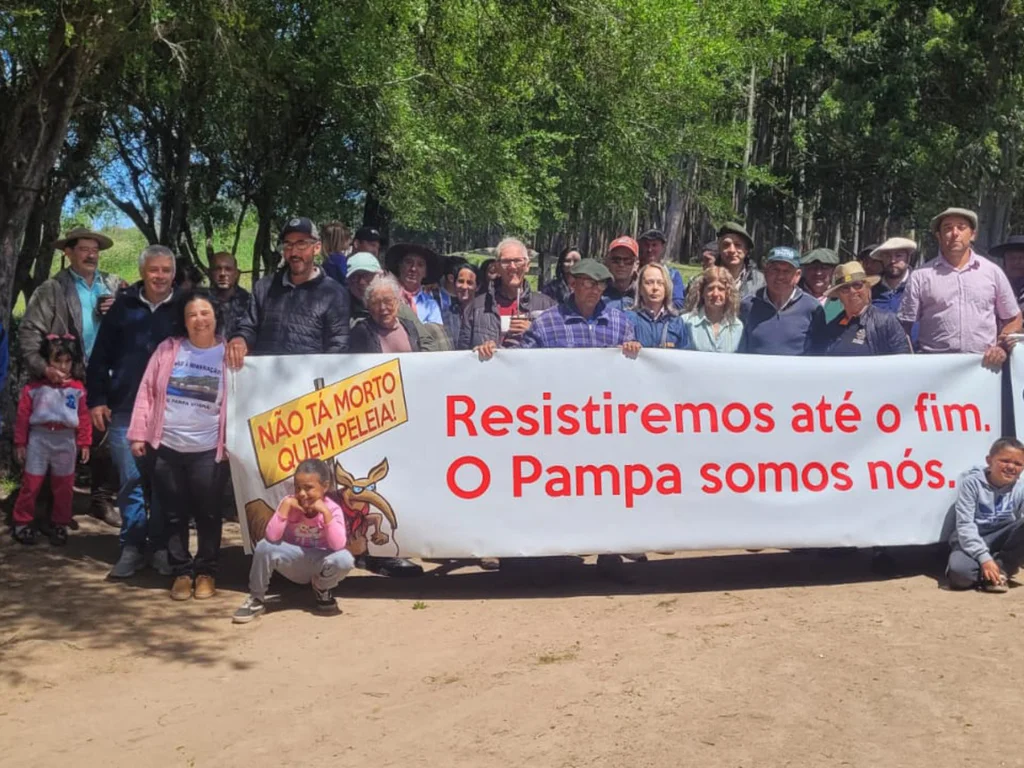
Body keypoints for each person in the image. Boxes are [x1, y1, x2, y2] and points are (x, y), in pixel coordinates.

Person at [475, 258, 640, 579]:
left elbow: (637, 374)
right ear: (573, 284)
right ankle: (554, 550)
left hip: (606, 424)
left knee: (607, 488)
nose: (593, 290)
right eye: (586, 283)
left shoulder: (621, 323)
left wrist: (635, 350)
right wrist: (494, 357)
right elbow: (521, 366)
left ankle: (610, 551)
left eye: (600, 284)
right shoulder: (547, 322)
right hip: (560, 426)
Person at [127, 291, 230, 601]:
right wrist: (138, 434)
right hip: (168, 446)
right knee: (173, 513)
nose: (199, 319)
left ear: (215, 317)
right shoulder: (168, 350)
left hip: (208, 449)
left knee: (208, 513)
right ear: (183, 321)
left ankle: (206, 571)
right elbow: (147, 392)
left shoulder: (229, 354)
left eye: (205, 313)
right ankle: (181, 571)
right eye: (192, 314)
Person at [87, 245, 180, 578]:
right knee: (130, 482)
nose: (159, 276)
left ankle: (160, 548)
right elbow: (100, 356)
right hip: (125, 407)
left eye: (165, 270)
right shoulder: (122, 306)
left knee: (165, 484)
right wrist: (96, 399)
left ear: (173, 272)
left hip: (172, 411)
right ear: (143, 272)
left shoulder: (183, 307)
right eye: (153, 270)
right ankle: (131, 546)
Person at [20, 226, 122, 527]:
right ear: (68, 252)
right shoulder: (52, 289)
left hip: (106, 374)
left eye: (95, 250)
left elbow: (133, 324)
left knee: (106, 440)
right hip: (65, 378)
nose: (91, 254)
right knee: (60, 438)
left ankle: (101, 501)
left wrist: (118, 310)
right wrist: (44, 368)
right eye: (84, 249)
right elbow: (28, 332)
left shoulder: (113, 285)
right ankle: (50, 507)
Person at [233, 458, 355, 623]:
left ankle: (322, 588)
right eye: (298, 488)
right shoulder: (289, 504)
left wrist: (325, 514)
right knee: (264, 546)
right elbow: (272, 537)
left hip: (320, 564)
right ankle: (256, 599)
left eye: (308, 488)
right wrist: (284, 508)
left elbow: (337, 545)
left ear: (325, 486)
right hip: (294, 562)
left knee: (345, 559)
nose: (302, 494)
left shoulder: (332, 509)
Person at [897, 207, 1022, 368]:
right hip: (933, 367)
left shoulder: (992, 272)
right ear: (939, 236)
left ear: (973, 234)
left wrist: (1001, 346)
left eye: (961, 227)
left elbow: (1013, 318)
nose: (955, 233)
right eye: (948, 228)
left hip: (983, 367)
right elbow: (903, 326)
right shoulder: (921, 276)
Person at [227, 217, 350, 364]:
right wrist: (240, 340)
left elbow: (338, 347)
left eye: (301, 244)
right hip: (264, 380)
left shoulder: (334, 294)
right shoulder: (264, 287)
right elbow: (248, 327)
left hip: (311, 382)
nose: (294, 253)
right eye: (288, 245)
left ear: (316, 248)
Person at [11, 335, 91, 546]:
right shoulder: (34, 389)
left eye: (67, 362)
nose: (63, 367)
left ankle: (60, 523)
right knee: (31, 483)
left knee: (64, 485)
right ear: (48, 363)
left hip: (65, 440)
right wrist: (20, 443)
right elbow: (22, 417)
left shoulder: (78, 389)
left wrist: (84, 442)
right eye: (57, 361)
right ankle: (22, 522)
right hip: (39, 438)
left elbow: (83, 417)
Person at [947, 437, 1024, 593]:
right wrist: (984, 559)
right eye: (1005, 461)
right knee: (960, 576)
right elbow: (965, 525)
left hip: (1002, 537)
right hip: (973, 538)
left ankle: (1001, 569)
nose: (1011, 467)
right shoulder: (971, 483)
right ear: (989, 461)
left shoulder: (1020, 488)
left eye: (1018, 464)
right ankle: (991, 570)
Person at [458, 237, 555, 350]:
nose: (512, 267)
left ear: (527, 265)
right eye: (506, 262)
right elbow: (463, 355)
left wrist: (534, 331)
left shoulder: (547, 306)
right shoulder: (476, 307)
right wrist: (482, 351)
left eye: (518, 261)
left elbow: (559, 348)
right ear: (497, 267)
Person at [739, 246, 826, 355]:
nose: (780, 276)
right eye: (775, 269)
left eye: (787, 271)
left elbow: (819, 353)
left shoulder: (813, 308)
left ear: (797, 275)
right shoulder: (747, 305)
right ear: (765, 271)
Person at [815, 262, 912, 356]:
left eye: (857, 285)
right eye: (845, 288)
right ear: (839, 295)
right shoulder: (832, 327)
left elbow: (903, 362)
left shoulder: (886, 322)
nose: (852, 291)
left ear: (868, 288)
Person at [350, 274, 423, 353]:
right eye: (375, 303)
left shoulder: (409, 327)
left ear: (397, 302)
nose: (382, 307)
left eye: (388, 301)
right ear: (369, 307)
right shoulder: (361, 332)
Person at [625, 263, 691, 349]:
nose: (655, 288)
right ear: (640, 288)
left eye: (660, 283)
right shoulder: (628, 319)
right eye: (649, 283)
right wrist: (628, 345)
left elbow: (686, 357)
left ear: (666, 288)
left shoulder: (677, 322)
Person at [682, 266, 744, 353]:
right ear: (702, 292)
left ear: (728, 294)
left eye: (721, 289)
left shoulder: (737, 326)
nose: (715, 294)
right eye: (710, 289)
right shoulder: (686, 322)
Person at [386, 243, 443, 324]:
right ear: (399, 265)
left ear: (425, 273)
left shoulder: (430, 305)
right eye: (409, 262)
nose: (413, 269)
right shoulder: (386, 297)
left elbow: (437, 335)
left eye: (420, 265)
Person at [637, 229, 686, 309]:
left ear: (662, 247)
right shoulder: (633, 273)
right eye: (646, 245)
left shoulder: (672, 275)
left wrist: (656, 307)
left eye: (654, 245)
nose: (650, 249)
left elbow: (678, 303)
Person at [717, 222, 765, 299]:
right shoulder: (704, 280)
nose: (732, 250)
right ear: (719, 249)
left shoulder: (761, 282)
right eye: (726, 245)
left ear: (746, 250)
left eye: (738, 245)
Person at [209, 251, 250, 340]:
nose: (223, 274)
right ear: (210, 273)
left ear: (236, 274)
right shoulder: (201, 303)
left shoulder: (249, 302)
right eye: (217, 269)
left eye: (228, 269)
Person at [440, 258, 477, 347]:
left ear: (477, 286)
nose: (464, 287)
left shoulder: (482, 313)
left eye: (469, 283)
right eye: (460, 281)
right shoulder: (446, 312)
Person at [799, 248, 842, 321]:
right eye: (813, 268)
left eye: (824, 268)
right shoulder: (791, 297)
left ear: (833, 271)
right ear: (804, 270)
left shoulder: (842, 299)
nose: (818, 273)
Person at [603, 236, 639, 305]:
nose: (621, 264)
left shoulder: (644, 293)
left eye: (627, 260)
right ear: (607, 262)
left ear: (636, 265)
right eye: (616, 260)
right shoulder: (597, 290)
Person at [990, 235, 1024, 301]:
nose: (1017, 262)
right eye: (1012, 258)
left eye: (1022, 258)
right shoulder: (993, 288)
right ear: (1004, 264)